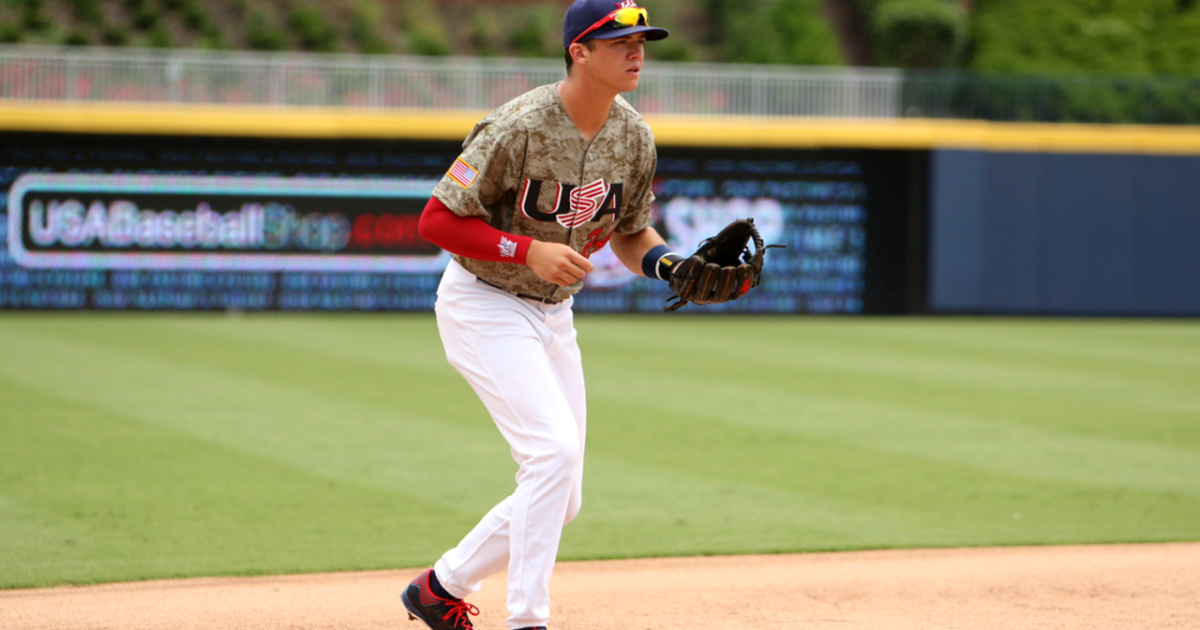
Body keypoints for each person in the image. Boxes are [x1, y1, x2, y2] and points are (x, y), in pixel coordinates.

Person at [401, 2, 673, 629]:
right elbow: (436, 219)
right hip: (483, 302)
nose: (637, 51)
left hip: (553, 316)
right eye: (619, 40)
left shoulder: (634, 136)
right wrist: (526, 249)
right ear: (579, 50)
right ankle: (527, 620)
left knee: (563, 495)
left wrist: (668, 266)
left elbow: (633, 232)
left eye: (642, 40)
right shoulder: (517, 124)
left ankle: (439, 587)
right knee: (551, 457)